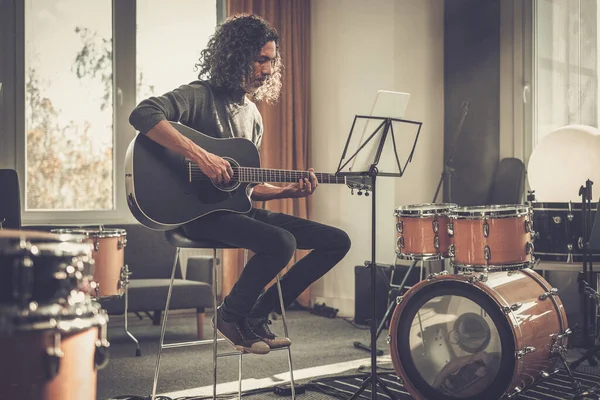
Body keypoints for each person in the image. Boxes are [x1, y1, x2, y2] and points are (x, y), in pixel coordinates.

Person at [129, 14, 351, 355]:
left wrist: (286, 191)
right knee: (281, 242)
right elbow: (143, 115)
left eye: (271, 61)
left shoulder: (253, 116)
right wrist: (201, 156)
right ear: (234, 55)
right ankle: (230, 317)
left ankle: (258, 314)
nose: (266, 69)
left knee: (336, 241)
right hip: (195, 212)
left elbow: (244, 188)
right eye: (260, 59)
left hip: (232, 211)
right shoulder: (199, 95)